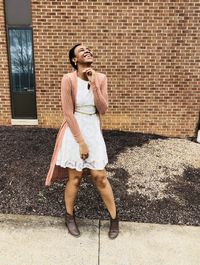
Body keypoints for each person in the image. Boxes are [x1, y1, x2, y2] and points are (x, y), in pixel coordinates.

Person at [45, 43, 119, 239]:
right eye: (81, 50)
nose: (87, 51)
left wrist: (93, 83)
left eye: (88, 49)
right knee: (75, 178)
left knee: (100, 177)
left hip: (92, 128)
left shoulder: (101, 78)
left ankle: (114, 219)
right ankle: (69, 217)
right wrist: (81, 142)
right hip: (74, 129)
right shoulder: (68, 79)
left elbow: (103, 109)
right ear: (74, 60)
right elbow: (68, 113)